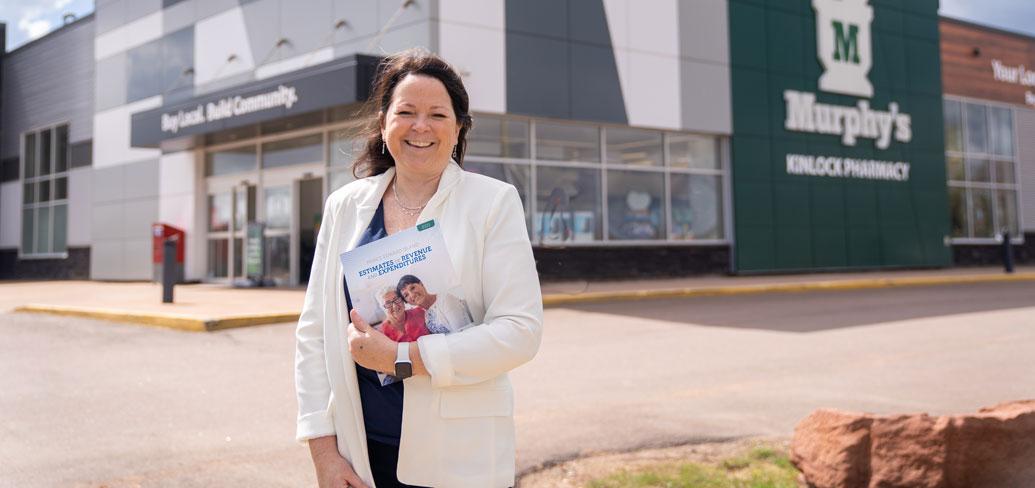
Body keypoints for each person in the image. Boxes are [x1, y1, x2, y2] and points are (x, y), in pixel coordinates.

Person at [294, 48, 543, 488]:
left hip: (458, 456)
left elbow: (519, 331)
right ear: (385, 122)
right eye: (406, 111)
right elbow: (314, 334)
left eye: (437, 114)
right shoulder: (345, 207)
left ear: (459, 127)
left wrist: (403, 358)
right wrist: (324, 454)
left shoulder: (492, 203)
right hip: (362, 454)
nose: (421, 127)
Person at [395, 274, 472, 334]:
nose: (412, 295)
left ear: (421, 284)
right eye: (406, 295)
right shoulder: (425, 314)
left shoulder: (445, 300)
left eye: (412, 288)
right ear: (406, 301)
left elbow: (464, 333)